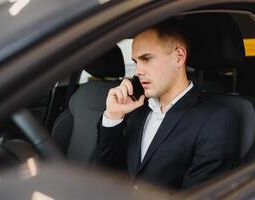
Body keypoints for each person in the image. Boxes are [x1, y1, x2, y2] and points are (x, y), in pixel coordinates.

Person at [96, 19, 239, 190]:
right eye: (136, 62)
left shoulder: (216, 120)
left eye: (146, 59)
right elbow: (107, 175)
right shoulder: (136, 109)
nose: (138, 71)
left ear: (179, 57)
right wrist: (113, 117)